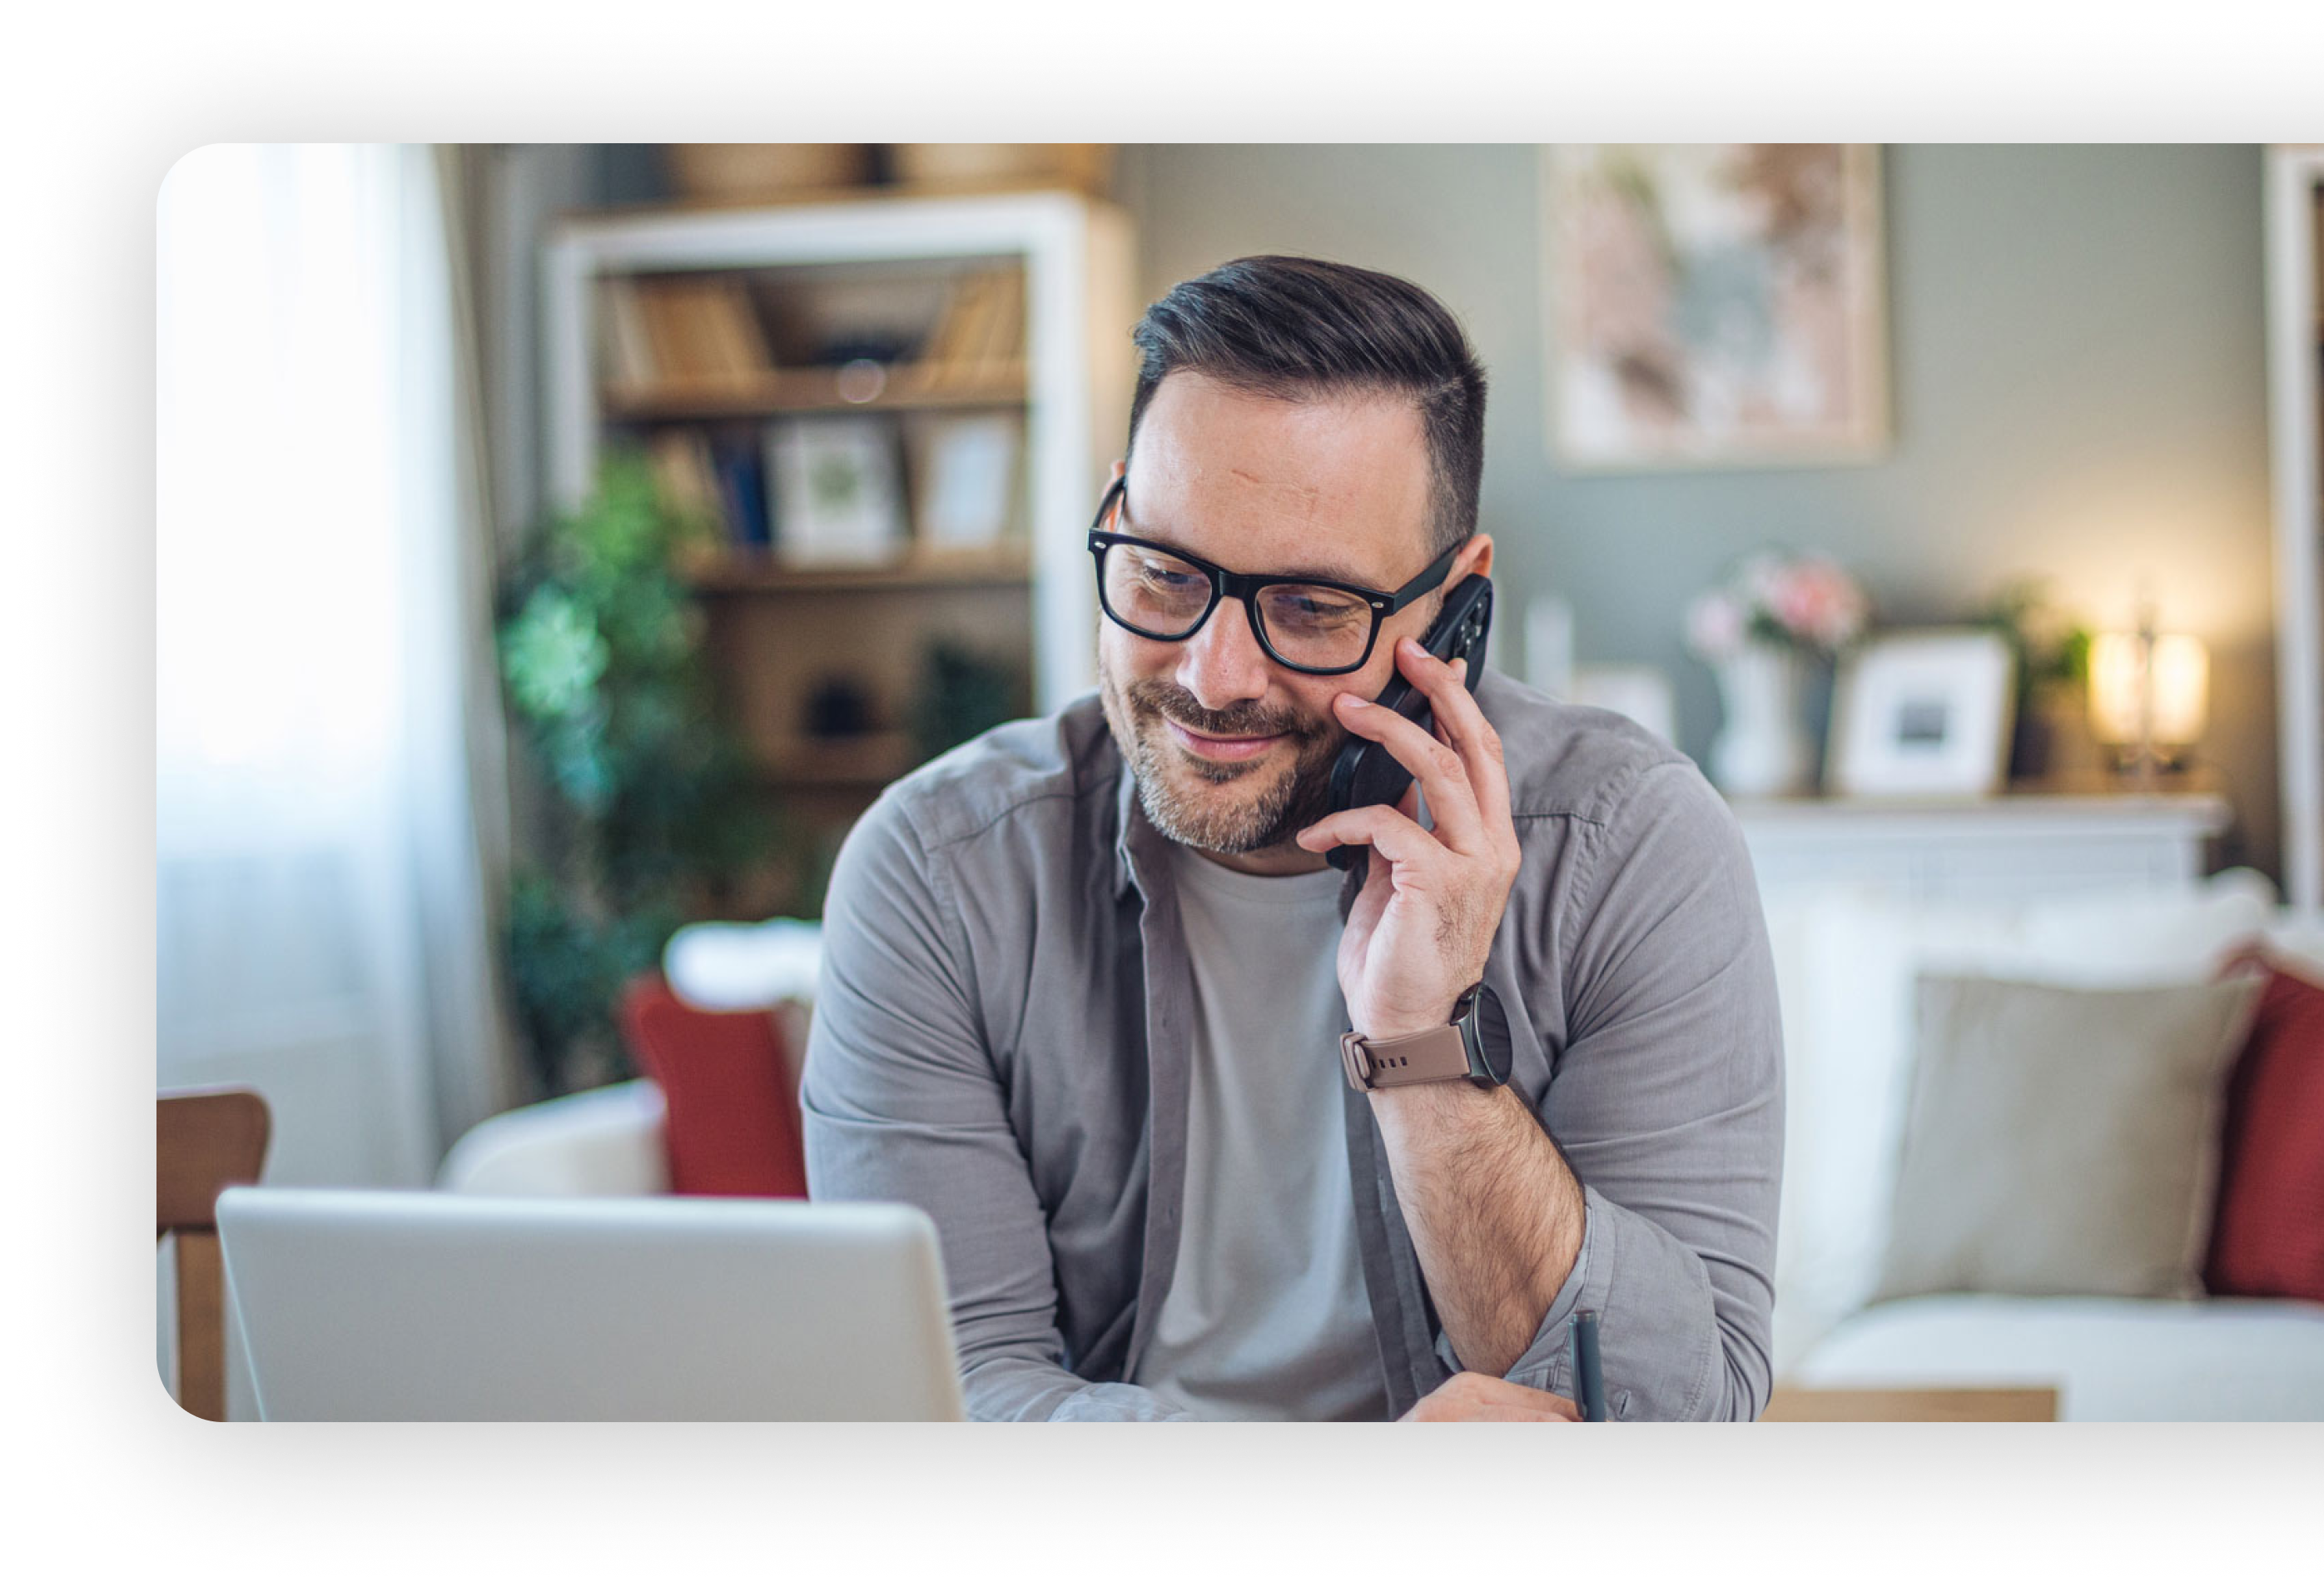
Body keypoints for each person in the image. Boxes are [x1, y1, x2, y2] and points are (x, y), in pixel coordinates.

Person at [801, 255, 1784, 1421]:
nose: (1214, 678)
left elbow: (1680, 1411)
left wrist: (1425, 1050)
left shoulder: (1629, 849)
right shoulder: (939, 873)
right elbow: (943, 1394)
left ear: (1455, 610)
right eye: (1166, 574)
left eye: (1313, 609)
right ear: (1117, 515)